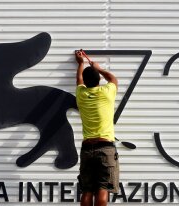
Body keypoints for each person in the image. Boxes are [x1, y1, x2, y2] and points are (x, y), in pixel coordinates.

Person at [75, 50, 119, 206]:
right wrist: (99, 68)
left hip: (87, 148)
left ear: (86, 83)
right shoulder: (106, 93)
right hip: (105, 147)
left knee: (87, 189)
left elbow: (79, 79)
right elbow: (113, 79)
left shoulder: (81, 94)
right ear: (99, 79)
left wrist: (81, 64)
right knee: (103, 188)